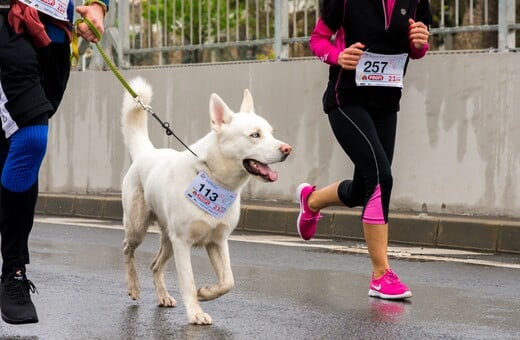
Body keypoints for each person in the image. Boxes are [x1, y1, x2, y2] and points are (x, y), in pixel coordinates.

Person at [296, 0, 432, 300]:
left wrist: (420, 43)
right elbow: (317, 40)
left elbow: (417, 48)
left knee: (363, 189)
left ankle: (312, 200)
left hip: (386, 104)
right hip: (346, 101)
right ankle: (381, 275)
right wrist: (337, 56)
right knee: (381, 178)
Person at [0, 0, 108, 324]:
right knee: (31, 137)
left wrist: (97, 6)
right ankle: (14, 272)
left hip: (54, 33)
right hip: (8, 21)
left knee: (13, 149)